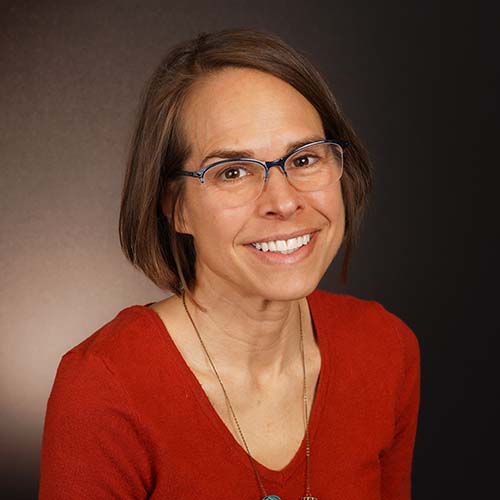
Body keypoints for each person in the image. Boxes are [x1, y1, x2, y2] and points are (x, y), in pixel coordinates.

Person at [39, 28, 420, 500]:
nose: (283, 202)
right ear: (175, 206)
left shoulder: (385, 349)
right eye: (233, 172)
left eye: (303, 159)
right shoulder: (102, 388)